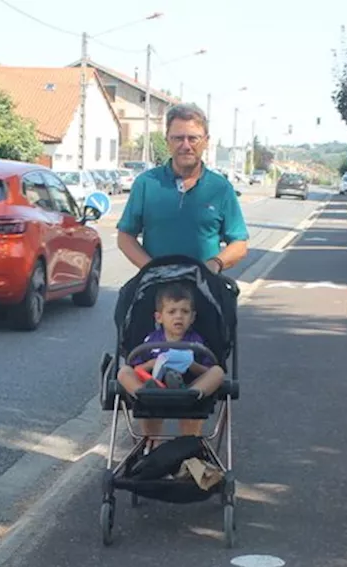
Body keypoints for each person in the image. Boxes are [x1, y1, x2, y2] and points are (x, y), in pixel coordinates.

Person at [117, 103, 250, 276]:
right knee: (125, 300)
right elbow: (125, 237)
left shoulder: (221, 188)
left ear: (206, 142)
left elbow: (239, 243)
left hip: (204, 288)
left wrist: (215, 264)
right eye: (178, 138)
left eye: (193, 138)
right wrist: (152, 269)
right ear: (167, 141)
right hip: (156, 287)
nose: (186, 146)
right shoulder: (146, 183)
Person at [117, 283, 225, 441]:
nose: (179, 316)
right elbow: (136, 368)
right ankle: (143, 396)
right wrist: (153, 363)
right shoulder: (151, 340)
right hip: (154, 389)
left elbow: (207, 371)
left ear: (193, 317)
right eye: (172, 311)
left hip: (189, 388)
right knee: (124, 372)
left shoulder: (197, 342)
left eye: (185, 312)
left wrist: (191, 365)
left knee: (218, 372)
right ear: (159, 317)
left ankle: (191, 395)